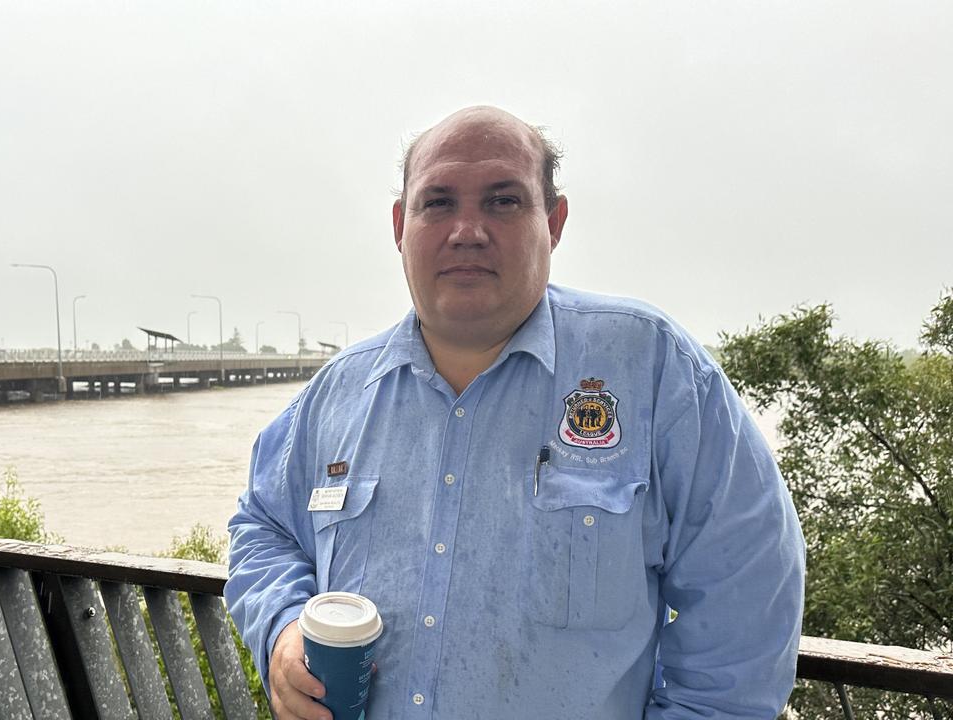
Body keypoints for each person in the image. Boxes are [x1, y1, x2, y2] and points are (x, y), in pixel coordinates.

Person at [225, 106, 805, 719]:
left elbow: (745, 606)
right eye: (438, 203)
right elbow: (262, 526)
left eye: (503, 201)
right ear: (400, 225)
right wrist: (284, 626)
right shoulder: (336, 394)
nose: (466, 230)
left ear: (553, 222)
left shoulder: (655, 369)